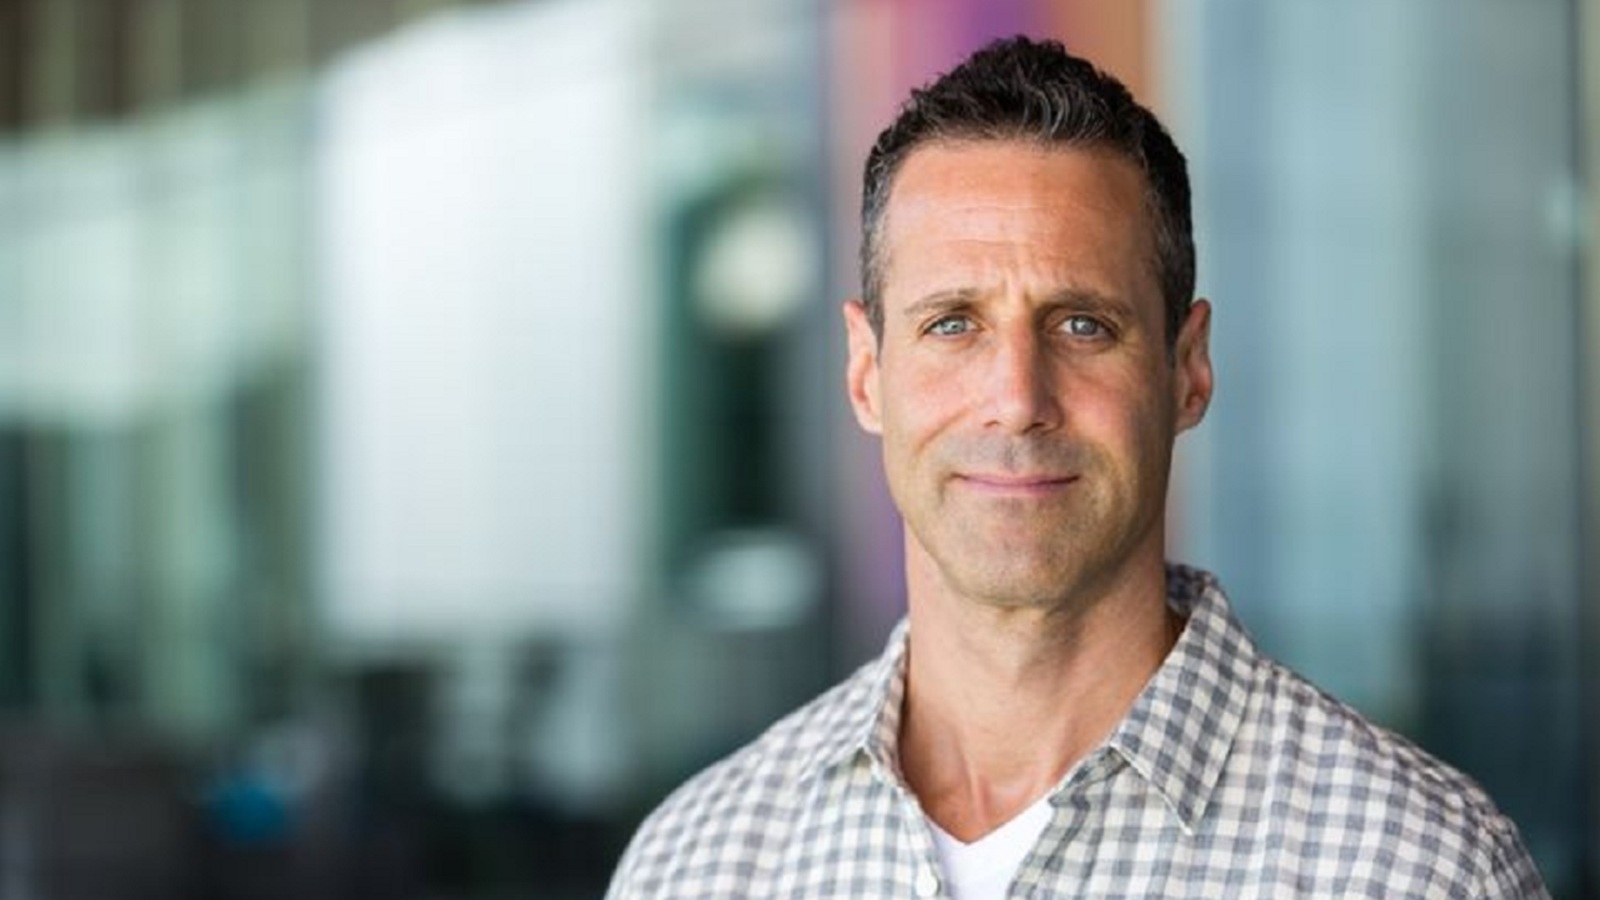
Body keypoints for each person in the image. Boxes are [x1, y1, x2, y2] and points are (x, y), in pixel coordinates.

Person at [606, 36, 1548, 899]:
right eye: (952, 324)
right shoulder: (695, 864)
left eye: (1083, 326)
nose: (1017, 398)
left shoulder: (1416, 870)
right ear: (865, 375)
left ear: (1188, 370)